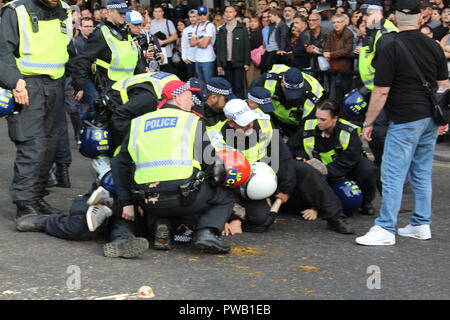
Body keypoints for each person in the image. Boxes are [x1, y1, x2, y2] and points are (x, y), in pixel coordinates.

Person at [356, 0, 449, 246]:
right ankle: (420, 224)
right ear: (421, 18)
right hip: (430, 118)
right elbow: (444, 87)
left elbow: (381, 91)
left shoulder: (390, 44)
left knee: (392, 174)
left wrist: (368, 122)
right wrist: (443, 118)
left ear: (395, 18)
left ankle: (386, 228)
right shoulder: (433, 45)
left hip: (405, 118)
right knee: (421, 173)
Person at [112, 80, 236, 254]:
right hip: (184, 197)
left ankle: (162, 226)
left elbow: (119, 163)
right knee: (224, 195)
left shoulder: (138, 123)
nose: (193, 102)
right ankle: (206, 233)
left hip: (148, 200)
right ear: (178, 99)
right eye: (189, 97)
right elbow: (209, 162)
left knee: (166, 197)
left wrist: (126, 201)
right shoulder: (192, 121)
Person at [217, 97, 353, 234]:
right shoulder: (218, 139)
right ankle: (242, 217)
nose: (250, 124)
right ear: (231, 124)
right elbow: (219, 182)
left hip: (269, 171)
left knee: (305, 170)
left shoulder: (263, 123)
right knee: (260, 220)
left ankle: (336, 218)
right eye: (244, 123)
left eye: (250, 119)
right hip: (241, 185)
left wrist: (285, 190)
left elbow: (283, 158)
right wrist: (231, 216)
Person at [0, 0, 74, 219]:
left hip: (56, 84)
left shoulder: (63, 9)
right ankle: (24, 204)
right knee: (33, 145)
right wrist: (15, 81)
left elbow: (66, 45)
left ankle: (36, 196)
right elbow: (3, 51)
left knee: (51, 144)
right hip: (27, 85)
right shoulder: (16, 10)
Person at [288, 100, 377, 216]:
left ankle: (366, 202)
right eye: (317, 118)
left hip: (344, 169)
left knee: (367, 168)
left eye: (323, 120)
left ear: (335, 118)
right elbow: (291, 147)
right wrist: (301, 158)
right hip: (315, 171)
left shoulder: (349, 132)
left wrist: (324, 170)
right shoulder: (308, 127)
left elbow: (347, 162)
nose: (318, 122)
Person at [72, 0, 143, 102]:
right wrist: (79, 86)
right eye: (120, 13)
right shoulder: (100, 33)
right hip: (111, 90)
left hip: (130, 87)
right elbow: (84, 60)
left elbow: (135, 60)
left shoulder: (125, 32)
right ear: (109, 12)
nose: (123, 15)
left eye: (125, 13)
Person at [250, 65, 324, 137]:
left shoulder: (312, 95)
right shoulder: (268, 81)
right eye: (289, 91)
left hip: (296, 123)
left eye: (296, 92)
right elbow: (252, 101)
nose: (292, 97)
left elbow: (305, 126)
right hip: (272, 115)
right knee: (272, 141)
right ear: (282, 83)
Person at [216, 6, 251, 99]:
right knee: (229, 86)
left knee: (239, 85)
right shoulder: (222, 29)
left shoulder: (241, 28)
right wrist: (219, 64)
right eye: (226, 12)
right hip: (226, 62)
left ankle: (240, 104)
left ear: (235, 13)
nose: (228, 14)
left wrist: (247, 62)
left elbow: (247, 46)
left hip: (239, 62)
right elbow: (219, 48)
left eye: (230, 12)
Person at [72, 17, 100, 121]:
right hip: (83, 78)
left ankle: (84, 123)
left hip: (94, 77)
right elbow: (77, 65)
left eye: (91, 26)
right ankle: (83, 123)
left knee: (97, 105)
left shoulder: (95, 41)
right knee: (95, 104)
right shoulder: (77, 44)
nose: (89, 28)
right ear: (80, 28)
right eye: (86, 26)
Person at [323, 13, 354, 102]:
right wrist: (326, 52)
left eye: (338, 22)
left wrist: (330, 54)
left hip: (345, 69)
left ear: (344, 23)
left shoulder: (349, 33)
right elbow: (326, 46)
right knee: (333, 96)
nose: (336, 24)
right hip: (333, 68)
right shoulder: (331, 33)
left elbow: (346, 50)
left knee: (345, 95)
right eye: (334, 22)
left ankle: (344, 115)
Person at [190, 5, 217, 81]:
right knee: (200, 83)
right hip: (198, 59)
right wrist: (201, 40)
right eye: (200, 14)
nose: (202, 16)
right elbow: (191, 43)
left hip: (208, 59)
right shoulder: (197, 26)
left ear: (207, 14)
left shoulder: (210, 26)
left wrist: (197, 40)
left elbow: (204, 45)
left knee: (209, 82)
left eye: (204, 14)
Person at [150, 5, 178, 74]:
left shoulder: (168, 22)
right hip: (154, 55)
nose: (157, 13)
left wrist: (163, 42)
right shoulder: (150, 23)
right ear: (153, 13)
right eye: (155, 11)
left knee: (168, 74)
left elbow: (175, 36)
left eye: (159, 11)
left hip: (167, 53)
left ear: (163, 12)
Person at [261, 8, 291, 73]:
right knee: (264, 65)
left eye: (270, 16)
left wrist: (281, 49)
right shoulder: (273, 25)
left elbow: (283, 38)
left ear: (276, 15)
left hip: (276, 49)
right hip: (269, 49)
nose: (269, 18)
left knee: (269, 65)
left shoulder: (283, 25)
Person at [181, 9, 199, 79]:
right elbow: (184, 45)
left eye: (194, 16)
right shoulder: (186, 30)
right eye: (190, 17)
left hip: (201, 59)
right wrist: (184, 58)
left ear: (198, 17)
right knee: (191, 79)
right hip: (190, 59)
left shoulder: (201, 28)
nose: (192, 18)